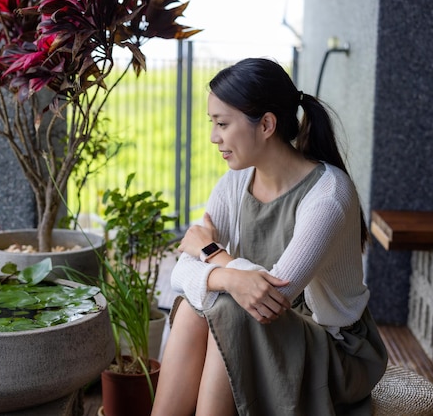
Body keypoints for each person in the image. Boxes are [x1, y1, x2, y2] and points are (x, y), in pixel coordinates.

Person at [151, 58, 388, 416]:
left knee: (225, 306)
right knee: (196, 307)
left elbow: (274, 297)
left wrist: (213, 255)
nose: (214, 137)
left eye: (222, 124)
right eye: (212, 124)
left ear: (265, 124)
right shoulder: (235, 182)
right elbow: (181, 275)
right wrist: (227, 275)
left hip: (335, 351)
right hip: (266, 325)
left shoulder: (328, 195)